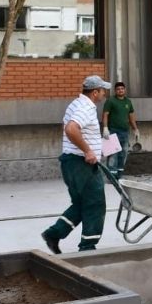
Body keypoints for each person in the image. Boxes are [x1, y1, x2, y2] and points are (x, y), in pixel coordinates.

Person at [42, 75, 113, 254]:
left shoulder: (75, 104)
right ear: (95, 92)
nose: (104, 94)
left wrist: (95, 146)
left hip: (72, 163)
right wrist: (88, 151)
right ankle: (88, 248)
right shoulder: (86, 107)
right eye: (102, 91)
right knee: (95, 204)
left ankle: (54, 234)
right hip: (82, 164)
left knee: (81, 204)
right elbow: (71, 129)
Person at [102, 81, 139, 179]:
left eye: (122, 89)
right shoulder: (111, 101)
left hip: (125, 132)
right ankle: (111, 176)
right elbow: (105, 114)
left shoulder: (128, 102)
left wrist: (135, 129)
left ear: (125, 90)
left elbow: (131, 117)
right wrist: (105, 128)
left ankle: (119, 174)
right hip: (113, 131)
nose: (120, 90)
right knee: (113, 153)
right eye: (118, 89)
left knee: (123, 153)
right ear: (115, 91)